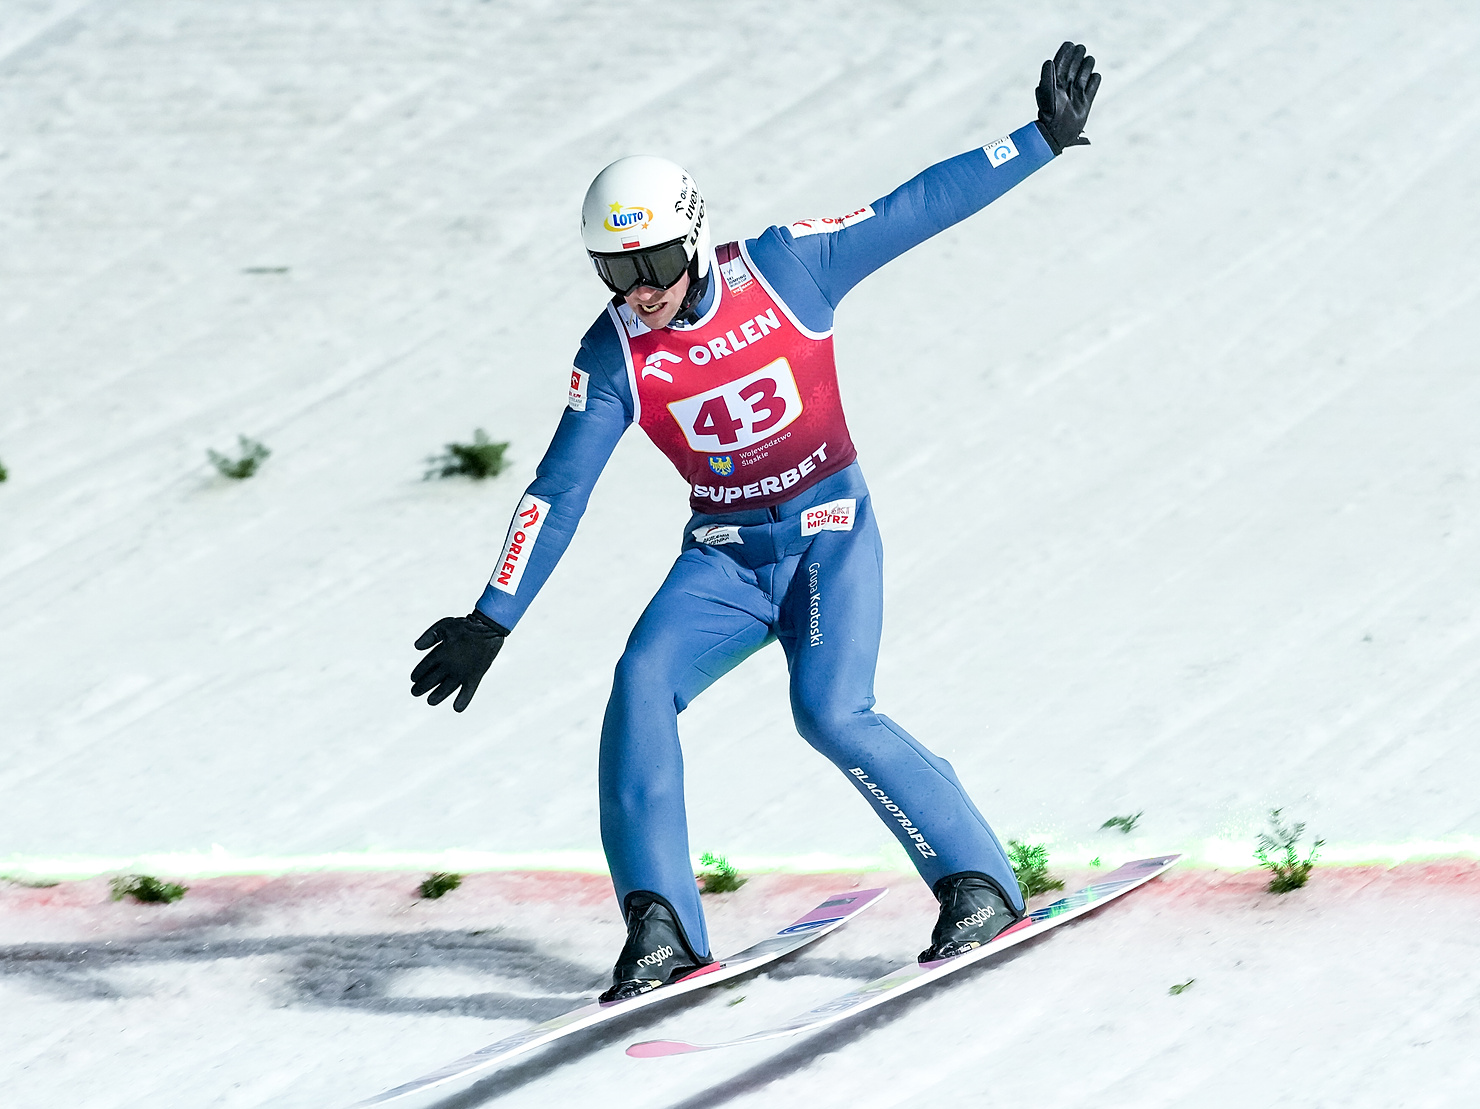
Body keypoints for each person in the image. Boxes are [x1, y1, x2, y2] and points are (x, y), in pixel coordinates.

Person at [411, 43, 1103, 1002]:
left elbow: (910, 211)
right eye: (615, 271)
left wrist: (1038, 142)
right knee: (640, 683)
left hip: (828, 536)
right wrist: (493, 614)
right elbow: (557, 489)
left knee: (829, 711)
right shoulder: (614, 354)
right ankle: (660, 923)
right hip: (726, 561)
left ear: (691, 238)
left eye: (651, 262)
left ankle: (976, 882)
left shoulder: (787, 267)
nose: (639, 288)